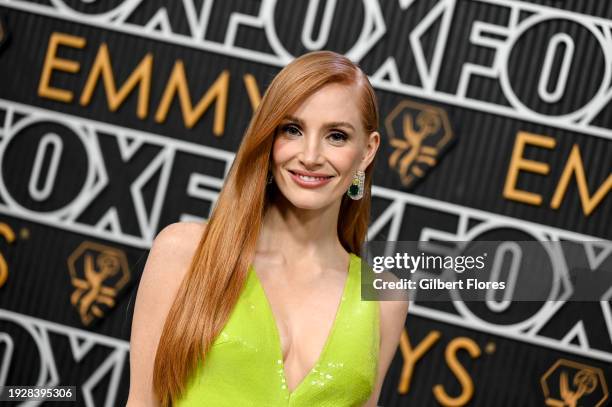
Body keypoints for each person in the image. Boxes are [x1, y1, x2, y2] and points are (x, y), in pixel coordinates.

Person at [127, 50, 409, 407]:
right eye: (292, 130)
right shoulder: (184, 252)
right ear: (268, 137)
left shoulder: (385, 297)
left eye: (336, 136)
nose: (310, 155)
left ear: (367, 151)